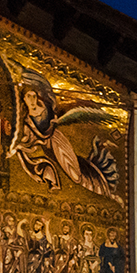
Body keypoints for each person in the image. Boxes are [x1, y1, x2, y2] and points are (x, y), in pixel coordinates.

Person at [10, 73, 121, 202]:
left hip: (57, 142)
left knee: (75, 175)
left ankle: (100, 188)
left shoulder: (46, 108)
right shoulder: (27, 119)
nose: (32, 99)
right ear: (24, 98)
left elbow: (51, 95)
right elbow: (28, 138)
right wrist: (20, 146)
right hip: (47, 147)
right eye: (28, 96)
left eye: (33, 95)